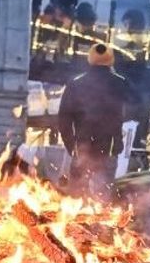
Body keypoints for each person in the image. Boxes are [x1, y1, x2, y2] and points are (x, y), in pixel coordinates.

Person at [57, 44, 135, 197]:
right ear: (111, 60)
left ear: (90, 59)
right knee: (102, 198)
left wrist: (71, 145)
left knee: (77, 198)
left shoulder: (75, 83)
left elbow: (64, 118)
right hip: (109, 148)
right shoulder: (120, 82)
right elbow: (137, 106)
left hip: (82, 148)